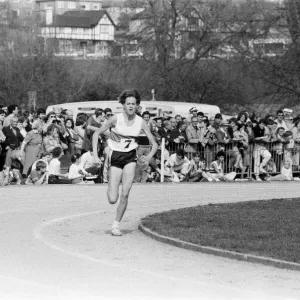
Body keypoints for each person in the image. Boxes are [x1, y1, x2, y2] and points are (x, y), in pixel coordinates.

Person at [92, 89, 158, 236]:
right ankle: (110, 188)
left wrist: (148, 157)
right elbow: (96, 133)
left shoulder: (141, 122)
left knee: (125, 194)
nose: (130, 106)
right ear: (123, 105)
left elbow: (154, 144)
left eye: (133, 104)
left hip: (130, 159)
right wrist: (96, 156)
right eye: (128, 103)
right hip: (115, 157)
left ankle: (116, 225)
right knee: (112, 198)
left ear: (137, 106)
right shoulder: (115, 119)